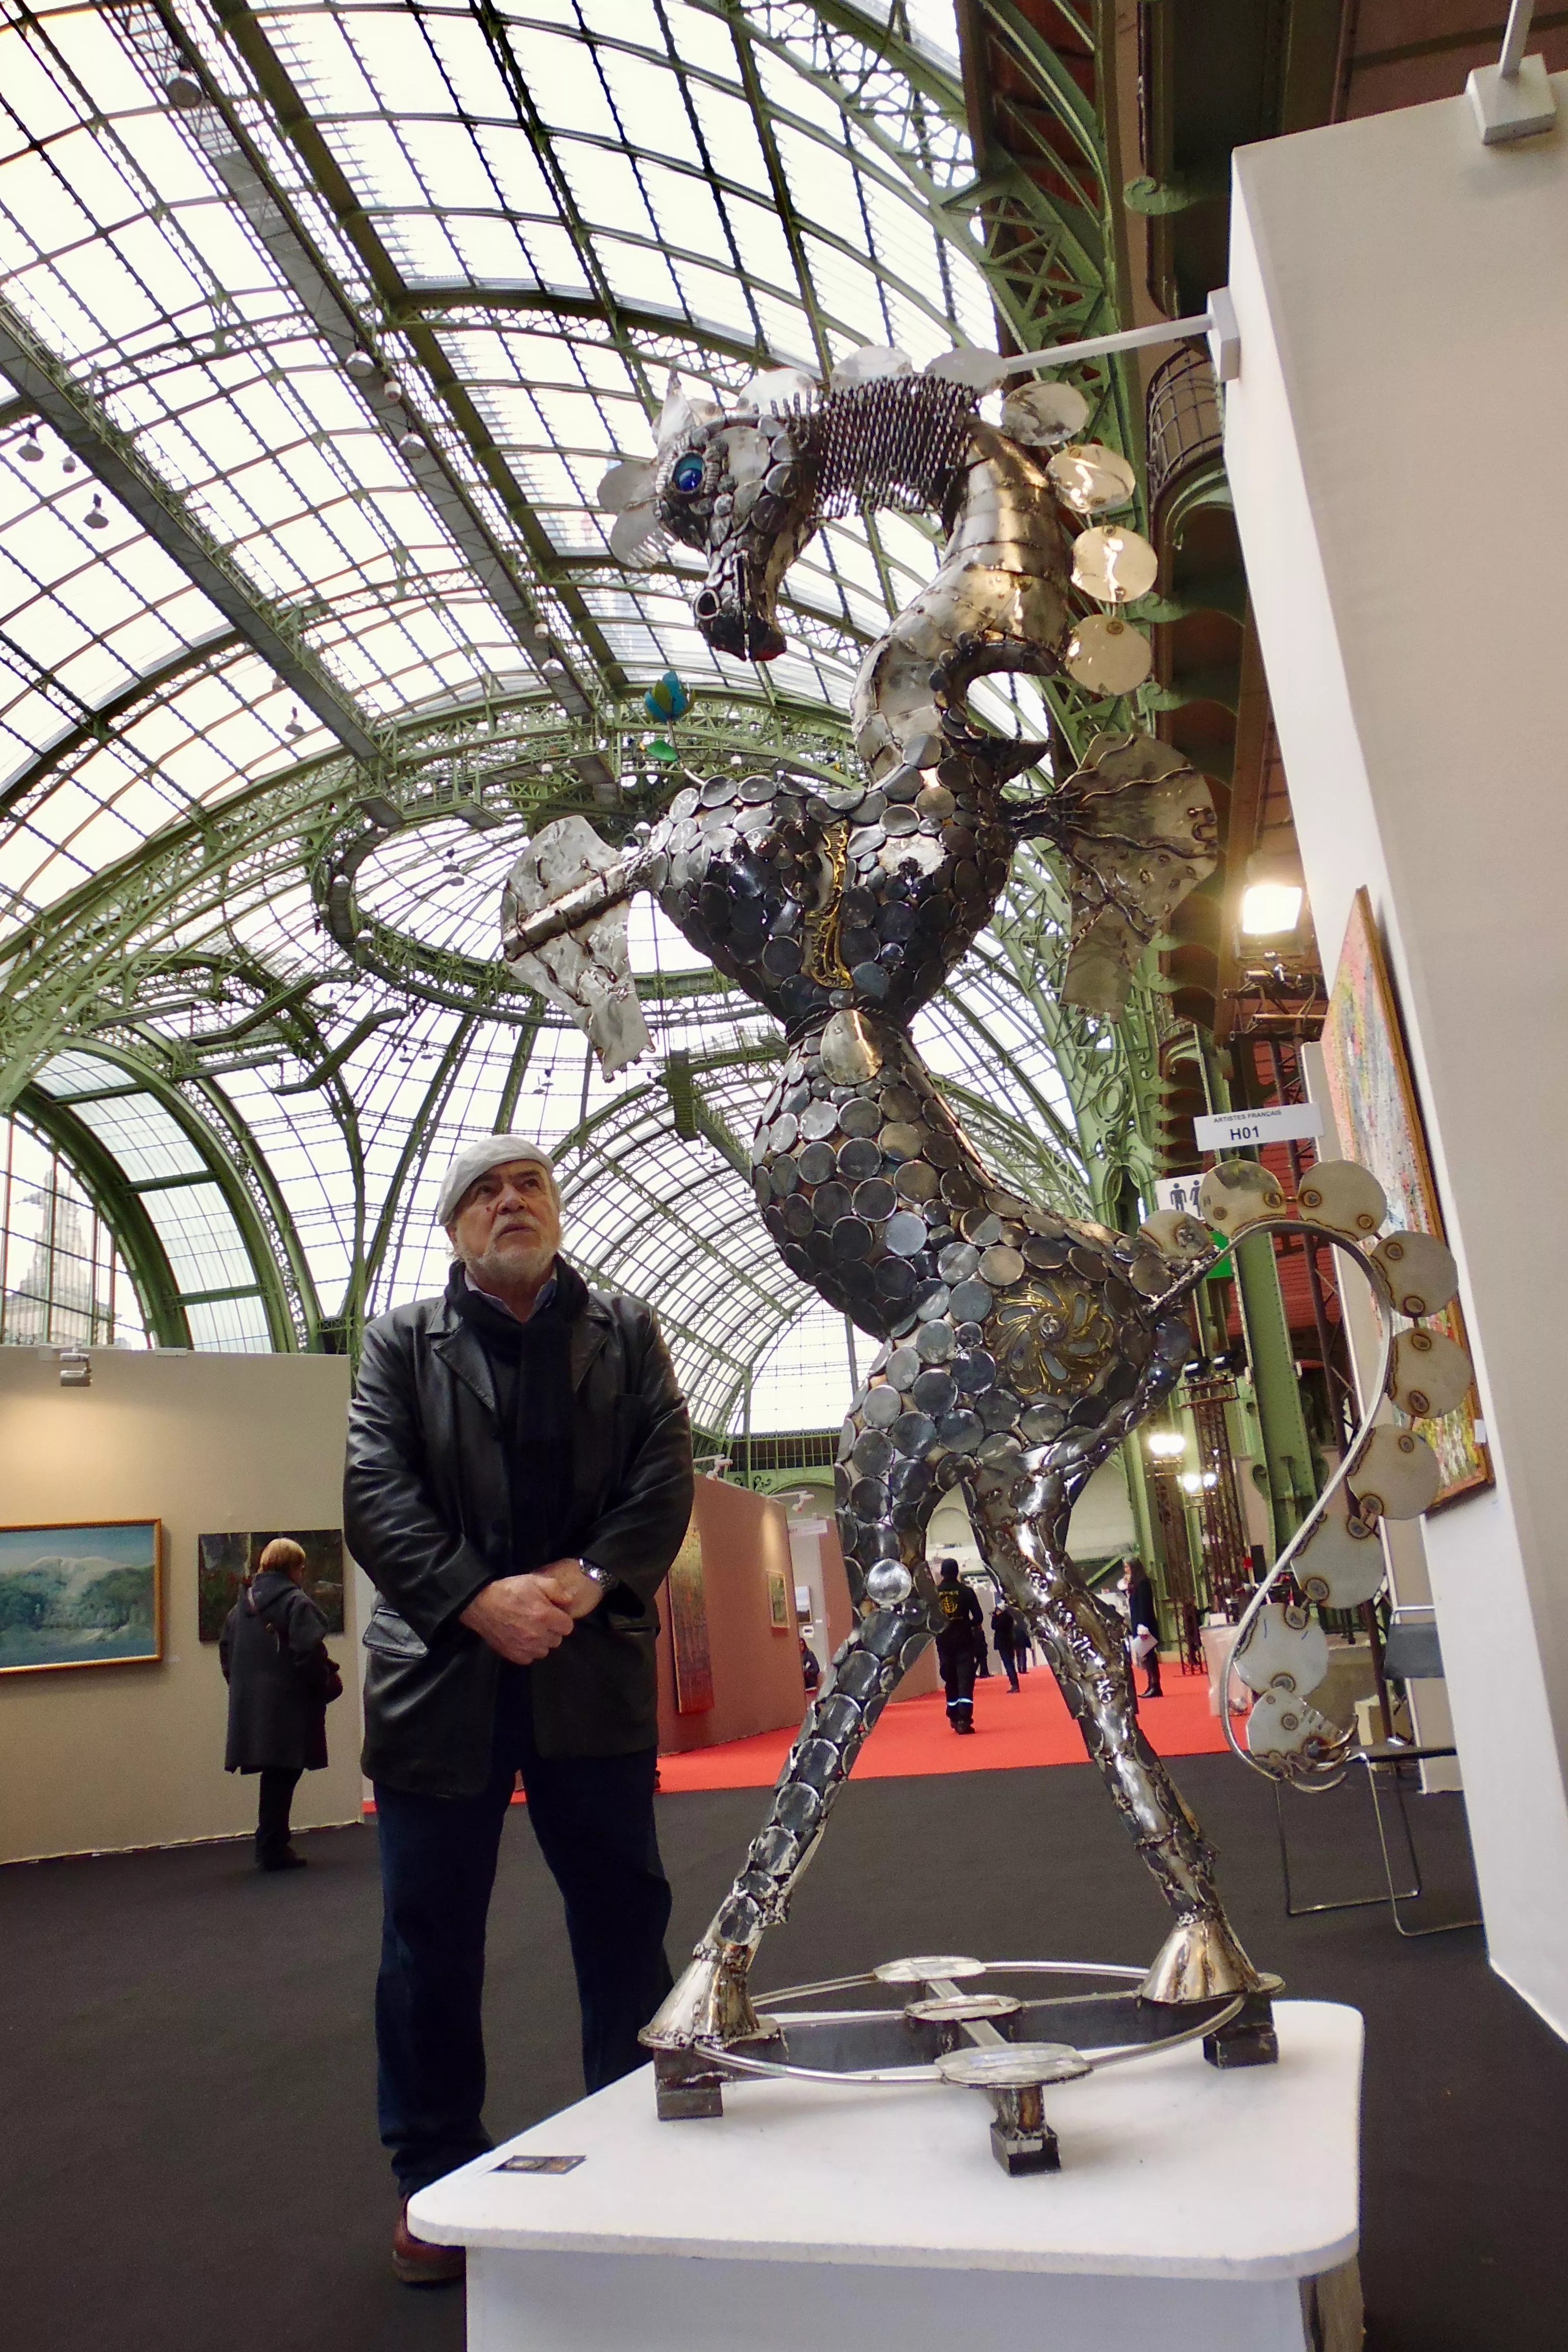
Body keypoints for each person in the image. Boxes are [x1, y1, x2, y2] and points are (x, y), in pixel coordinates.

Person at [344, 1136, 693, 2287]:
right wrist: (477, 1600)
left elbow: (664, 1473)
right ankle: (435, 2176)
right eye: (485, 1194)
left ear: (554, 1208)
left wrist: (584, 1583)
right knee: (428, 1940)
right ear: (455, 1228)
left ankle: (636, 2147)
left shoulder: (627, 1330)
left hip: (586, 1670)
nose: (510, 1203)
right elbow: (375, 1495)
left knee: (622, 1916)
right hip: (441, 1681)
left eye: (528, 1185)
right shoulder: (399, 1343)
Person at [219, 1536, 340, 1871]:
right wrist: (321, 1685)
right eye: (301, 1567)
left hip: (254, 1706)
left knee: (277, 1775)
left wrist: (246, 1690)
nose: (303, 1573)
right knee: (284, 1773)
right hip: (289, 1705)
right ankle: (272, 1846)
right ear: (292, 1567)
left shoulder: (240, 1606)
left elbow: (226, 1653)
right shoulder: (296, 1604)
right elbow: (308, 1654)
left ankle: (271, 1842)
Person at [933, 1557, 984, 1733]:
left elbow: (929, 1620)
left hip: (944, 1642)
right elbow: (978, 1618)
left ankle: (953, 1715)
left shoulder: (935, 1594)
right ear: (957, 1572)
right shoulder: (967, 1592)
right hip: (964, 1642)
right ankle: (964, 1719)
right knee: (965, 1680)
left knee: (950, 1679)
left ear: (942, 1573)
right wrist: (965, 1624)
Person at [1121, 1556, 1164, 1698]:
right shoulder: (1134, 1584)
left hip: (1145, 1624)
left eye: (1128, 1567)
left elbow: (1145, 1606)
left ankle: (1155, 1685)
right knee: (1145, 1656)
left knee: (1150, 1656)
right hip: (1139, 1623)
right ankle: (1151, 1684)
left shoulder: (1144, 1583)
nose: (1126, 1570)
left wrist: (1143, 1625)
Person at [990, 1598, 1024, 1695]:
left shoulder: (1002, 1619)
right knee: (1011, 1664)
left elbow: (994, 1626)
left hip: (1003, 1644)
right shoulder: (1009, 1618)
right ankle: (1014, 1683)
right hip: (1009, 1643)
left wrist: (994, 1617)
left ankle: (1014, 1684)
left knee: (1008, 1664)